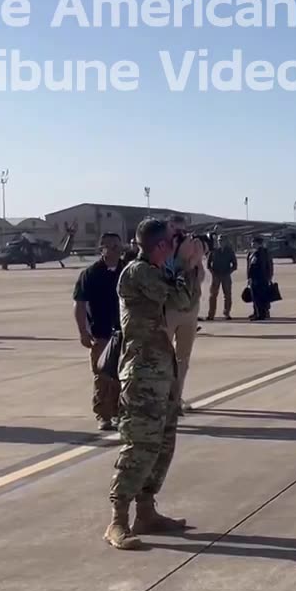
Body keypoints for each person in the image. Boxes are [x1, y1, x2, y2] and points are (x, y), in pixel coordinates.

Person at [103, 218, 204, 550]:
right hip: (142, 374)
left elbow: (185, 299)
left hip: (163, 371)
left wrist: (188, 265)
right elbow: (180, 300)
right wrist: (187, 264)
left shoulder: (157, 271)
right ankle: (117, 520)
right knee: (139, 447)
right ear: (162, 246)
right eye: (173, 241)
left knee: (162, 445)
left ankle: (145, 512)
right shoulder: (139, 272)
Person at [74, 233, 126, 431]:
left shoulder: (128, 270)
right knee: (102, 376)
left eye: (116, 246)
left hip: (125, 332)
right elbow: (79, 304)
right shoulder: (90, 274)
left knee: (124, 376)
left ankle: (121, 413)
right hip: (101, 333)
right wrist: (83, 332)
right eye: (108, 247)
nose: (113, 251)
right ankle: (103, 415)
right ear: (101, 249)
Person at [165, 215, 205, 413]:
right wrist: (181, 256)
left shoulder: (193, 246)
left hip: (190, 307)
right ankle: (163, 399)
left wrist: (195, 260)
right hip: (168, 307)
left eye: (181, 229)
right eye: (175, 229)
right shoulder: (162, 248)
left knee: (183, 358)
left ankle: (176, 399)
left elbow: (202, 276)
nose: (179, 233)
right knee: (163, 356)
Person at [206, 234, 238, 321]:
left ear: (226, 242)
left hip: (226, 276)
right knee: (213, 296)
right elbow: (208, 265)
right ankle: (211, 314)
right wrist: (213, 273)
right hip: (215, 276)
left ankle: (227, 313)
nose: (221, 242)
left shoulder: (230, 251)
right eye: (219, 241)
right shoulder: (213, 251)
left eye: (222, 241)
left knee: (227, 295)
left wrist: (228, 272)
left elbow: (235, 265)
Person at [246, 236, 274, 320]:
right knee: (257, 297)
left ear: (258, 244)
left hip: (260, 279)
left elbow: (266, 266)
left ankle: (261, 314)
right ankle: (257, 312)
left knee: (259, 297)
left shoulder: (261, 253)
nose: (252, 244)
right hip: (258, 279)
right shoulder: (254, 253)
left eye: (254, 243)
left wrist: (269, 276)